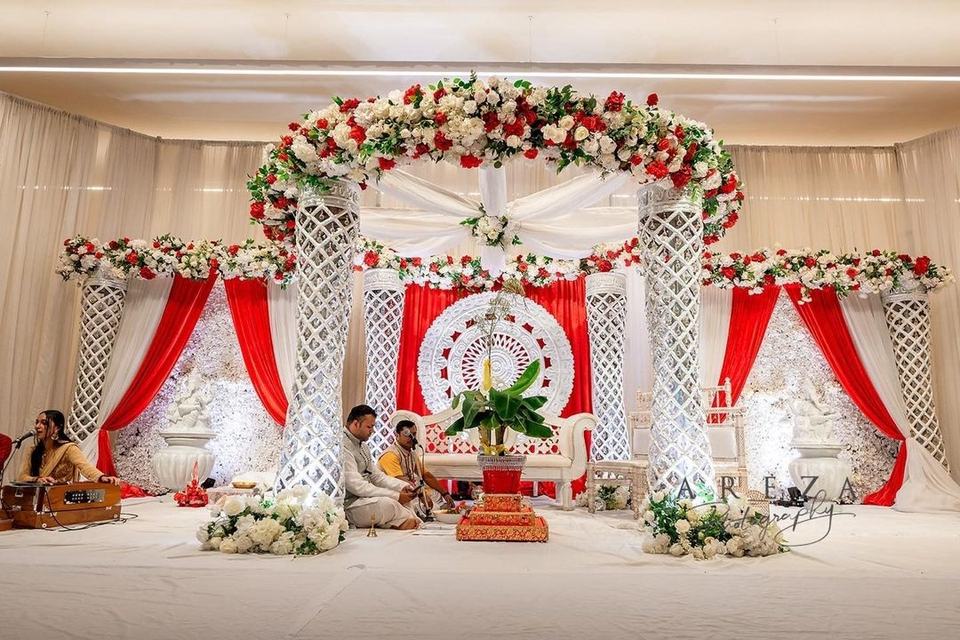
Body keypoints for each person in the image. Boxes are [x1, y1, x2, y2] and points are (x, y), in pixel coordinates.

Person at [341, 405, 420, 530]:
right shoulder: (343, 446)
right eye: (369, 427)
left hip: (367, 499)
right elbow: (357, 486)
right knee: (388, 504)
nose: (372, 431)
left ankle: (399, 521)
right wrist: (395, 495)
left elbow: (377, 476)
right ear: (356, 424)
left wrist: (402, 486)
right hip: (351, 504)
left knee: (401, 499)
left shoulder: (363, 447)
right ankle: (401, 521)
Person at [18, 410, 121, 486]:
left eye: (44, 423)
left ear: (57, 428)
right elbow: (22, 477)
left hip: (59, 498)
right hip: (34, 497)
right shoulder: (32, 449)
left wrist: (101, 477)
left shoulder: (68, 448)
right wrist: (37, 479)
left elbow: (85, 467)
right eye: (37, 422)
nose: (37, 426)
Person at [378, 420, 455, 517]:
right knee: (427, 506)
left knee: (436, 494)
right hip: (394, 493)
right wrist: (421, 495)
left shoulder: (411, 453)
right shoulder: (390, 455)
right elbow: (400, 481)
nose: (412, 438)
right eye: (407, 434)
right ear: (397, 435)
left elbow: (425, 475)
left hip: (410, 490)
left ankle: (433, 510)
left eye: (414, 434)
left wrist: (444, 493)